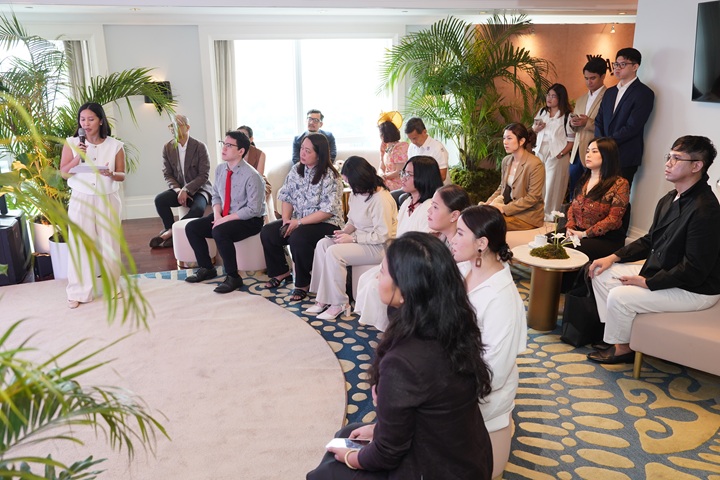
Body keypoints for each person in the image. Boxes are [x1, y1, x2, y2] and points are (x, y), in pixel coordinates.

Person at [307, 232, 494, 480]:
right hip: (467, 457)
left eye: (382, 271)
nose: (377, 277)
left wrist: (351, 458)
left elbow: (387, 452)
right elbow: (430, 409)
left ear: (406, 289)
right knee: (348, 434)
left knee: (326, 471)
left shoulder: (404, 361)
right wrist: (379, 429)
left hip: (435, 468)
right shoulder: (451, 324)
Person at [586, 135, 720, 364]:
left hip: (695, 289)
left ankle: (623, 348)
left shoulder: (705, 210)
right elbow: (650, 240)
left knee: (619, 295)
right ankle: (620, 336)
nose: (668, 163)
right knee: (600, 272)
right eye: (669, 156)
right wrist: (613, 257)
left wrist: (648, 282)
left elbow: (695, 269)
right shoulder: (670, 198)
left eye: (676, 158)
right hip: (667, 272)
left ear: (697, 166)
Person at [451, 205, 526, 479]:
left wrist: (443, 390)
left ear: (481, 244)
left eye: (460, 233)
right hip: (456, 372)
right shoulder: (464, 269)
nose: (452, 239)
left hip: (479, 389)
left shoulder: (501, 298)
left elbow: (493, 371)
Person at [354, 156, 444, 331]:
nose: (403, 178)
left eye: (409, 174)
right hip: (400, 260)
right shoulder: (408, 202)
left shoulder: (429, 207)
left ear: (423, 177)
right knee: (366, 278)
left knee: (375, 285)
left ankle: (390, 329)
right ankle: (388, 327)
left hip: (414, 266)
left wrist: (393, 269)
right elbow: (398, 237)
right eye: (404, 173)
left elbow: (425, 247)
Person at [307, 156, 398, 319]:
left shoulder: (381, 199)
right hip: (361, 240)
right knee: (323, 244)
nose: (349, 185)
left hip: (379, 247)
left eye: (349, 182)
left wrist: (353, 239)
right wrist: (344, 232)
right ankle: (324, 298)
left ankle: (340, 303)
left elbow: (383, 235)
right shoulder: (357, 193)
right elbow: (353, 221)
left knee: (334, 252)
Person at [262, 132, 344, 302]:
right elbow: (286, 196)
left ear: (319, 154)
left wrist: (298, 223)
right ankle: (281, 272)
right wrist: (286, 220)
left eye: (308, 151)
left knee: (298, 237)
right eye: (302, 149)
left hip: (327, 223)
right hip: (298, 220)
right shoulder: (296, 169)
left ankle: (302, 284)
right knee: (269, 232)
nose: (302, 153)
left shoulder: (331, 176)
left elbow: (327, 211)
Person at [59, 102, 126, 309]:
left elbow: (122, 175)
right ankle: (78, 291)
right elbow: (64, 173)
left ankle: (112, 286)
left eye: (90, 119)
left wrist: (111, 174)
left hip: (108, 198)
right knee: (80, 244)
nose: (85, 124)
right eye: (82, 119)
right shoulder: (71, 143)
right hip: (81, 199)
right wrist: (78, 158)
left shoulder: (115, 145)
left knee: (110, 243)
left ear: (101, 121)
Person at [183, 130, 266, 293]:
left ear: (241, 151)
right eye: (224, 143)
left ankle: (233, 277)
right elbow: (216, 195)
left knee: (219, 231)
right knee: (192, 228)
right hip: (225, 214)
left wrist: (224, 220)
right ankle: (207, 268)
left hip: (249, 220)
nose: (224, 148)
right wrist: (217, 214)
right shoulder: (221, 169)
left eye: (229, 145)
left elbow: (253, 209)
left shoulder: (252, 176)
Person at [594, 47, 656, 190]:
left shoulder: (644, 93)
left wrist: (608, 143)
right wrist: (600, 143)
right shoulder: (609, 92)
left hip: (625, 155)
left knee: (618, 198)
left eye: (623, 64)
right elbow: (599, 120)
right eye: (616, 64)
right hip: (603, 153)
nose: (617, 68)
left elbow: (633, 127)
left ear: (635, 67)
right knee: (599, 195)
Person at [151, 114, 212, 248]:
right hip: (178, 189)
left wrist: (186, 189)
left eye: (176, 125)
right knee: (160, 200)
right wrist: (179, 190)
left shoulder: (200, 147)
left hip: (200, 189)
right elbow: (167, 174)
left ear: (187, 127)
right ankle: (169, 229)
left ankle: (171, 233)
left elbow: (204, 175)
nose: (172, 128)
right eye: (171, 125)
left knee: (198, 209)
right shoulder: (168, 147)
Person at [565, 137, 630, 260]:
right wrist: (570, 228)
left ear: (607, 155)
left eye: (594, 151)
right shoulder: (584, 179)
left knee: (567, 250)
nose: (588, 155)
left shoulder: (620, 184)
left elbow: (613, 220)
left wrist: (584, 234)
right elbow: (572, 207)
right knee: (548, 241)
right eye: (588, 151)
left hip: (605, 238)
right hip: (578, 231)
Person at [485, 123, 545, 230]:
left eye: (509, 138)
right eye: (504, 138)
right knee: (478, 215)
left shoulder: (535, 164)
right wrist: (488, 203)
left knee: (488, 224)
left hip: (528, 215)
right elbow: (501, 187)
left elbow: (533, 198)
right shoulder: (506, 160)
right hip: (510, 209)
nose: (505, 142)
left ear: (521, 141)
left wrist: (504, 208)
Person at [533, 83, 575, 220]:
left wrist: (560, 154)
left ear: (560, 98)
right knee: (539, 184)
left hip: (557, 154)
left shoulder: (567, 116)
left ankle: (550, 217)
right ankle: (538, 214)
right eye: (548, 95)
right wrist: (536, 129)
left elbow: (571, 141)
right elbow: (534, 128)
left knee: (553, 186)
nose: (549, 98)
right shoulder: (542, 112)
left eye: (553, 96)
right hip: (540, 152)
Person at [568, 58, 608, 199]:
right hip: (576, 152)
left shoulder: (608, 97)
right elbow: (573, 128)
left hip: (594, 150)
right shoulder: (581, 99)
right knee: (574, 190)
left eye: (593, 78)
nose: (589, 82)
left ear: (603, 76)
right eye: (586, 78)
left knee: (590, 192)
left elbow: (606, 125)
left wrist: (588, 123)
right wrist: (573, 123)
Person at [237, 124, 275, 221]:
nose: (240, 138)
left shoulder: (260, 154)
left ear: (251, 139)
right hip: (238, 183)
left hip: (258, 183)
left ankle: (264, 222)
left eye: (244, 135)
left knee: (257, 193)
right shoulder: (234, 152)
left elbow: (258, 178)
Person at [405, 117, 448, 181]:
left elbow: (442, 176)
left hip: (435, 186)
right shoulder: (411, 147)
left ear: (424, 132)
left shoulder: (437, 147)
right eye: (410, 139)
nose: (413, 142)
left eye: (414, 138)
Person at [377, 111, 409, 192]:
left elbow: (399, 172)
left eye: (381, 134)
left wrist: (384, 177)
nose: (380, 136)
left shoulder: (401, 147)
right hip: (386, 180)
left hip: (398, 183)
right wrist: (381, 175)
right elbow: (381, 167)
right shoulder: (384, 146)